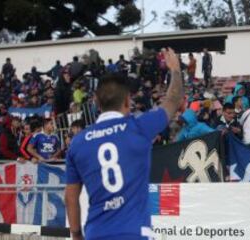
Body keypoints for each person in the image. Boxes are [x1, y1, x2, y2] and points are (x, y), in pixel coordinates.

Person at [65, 48, 184, 240]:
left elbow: (71, 197)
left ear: (96, 103)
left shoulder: (78, 143)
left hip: (97, 233)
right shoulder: (139, 127)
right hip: (134, 233)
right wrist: (175, 70)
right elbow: (173, 100)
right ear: (128, 101)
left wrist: (77, 234)